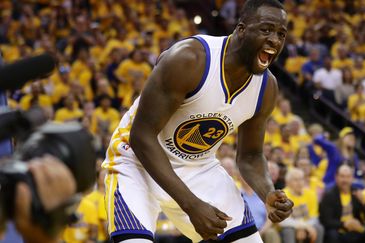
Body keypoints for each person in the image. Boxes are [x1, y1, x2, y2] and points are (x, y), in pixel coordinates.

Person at [102, 1, 293, 242]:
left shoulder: (267, 88)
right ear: (241, 29)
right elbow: (141, 137)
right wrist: (191, 204)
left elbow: (251, 156)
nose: (275, 40)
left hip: (198, 167)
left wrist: (268, 193)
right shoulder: (190, 59)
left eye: (281, 34)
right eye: (266, 30)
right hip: (136, 161)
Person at [319, 165, 365, 243]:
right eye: (342, 176)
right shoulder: (329, 195)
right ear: (336, 177)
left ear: (352, 178)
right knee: (332, 235)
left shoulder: (356, 193)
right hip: (339, 230)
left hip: (355, 229)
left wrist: (363, 202)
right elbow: (326, 220)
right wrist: (345, 224)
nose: (345, 180)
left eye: (348, 177)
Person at [280, 168, 324, 243]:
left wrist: (305, 228)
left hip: (308, 226)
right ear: (288, 182)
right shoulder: (282, 196)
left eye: (301, 179)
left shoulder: (311, 194)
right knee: (288, 230)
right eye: (296, 180)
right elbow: (283, 221)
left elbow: (314, 218)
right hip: (291, 227)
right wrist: (301, 226)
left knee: (319, 228)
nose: (299, 182)